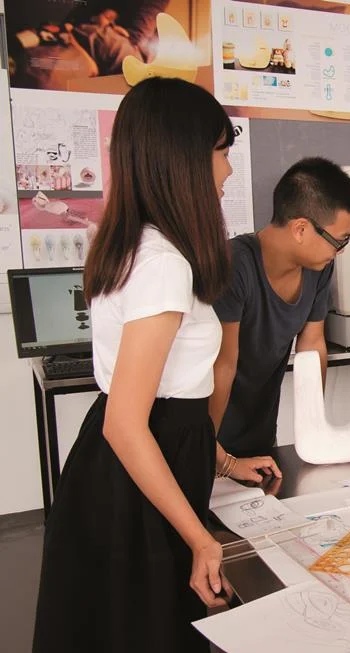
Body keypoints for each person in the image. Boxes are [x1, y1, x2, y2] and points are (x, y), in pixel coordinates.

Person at [33, 77, 235, 652]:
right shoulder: (163, 263)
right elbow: (130, 423)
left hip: (133, 461)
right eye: (221, 153)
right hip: (140, 468)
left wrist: (223, 460)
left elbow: (164, 394)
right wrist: (200, 539)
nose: (227, 172)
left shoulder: (132, 244)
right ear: (184, 160)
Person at [210, 157, 350, 462]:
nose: (339, 252)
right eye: (338, 242)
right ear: (301, 229)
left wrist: (315, 425)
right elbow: (223, 365)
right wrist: (211, 453)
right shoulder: (233, 266)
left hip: (260, 434)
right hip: (210, 436)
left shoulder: (318, 268)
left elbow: (312, 344)